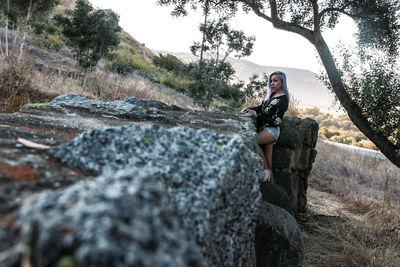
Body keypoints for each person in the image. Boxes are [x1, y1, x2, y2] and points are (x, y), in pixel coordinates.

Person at [242, 71, 289, 183]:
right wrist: (250, 108)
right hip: (264, 129)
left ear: (282, 83)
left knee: (252, 141)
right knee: (269, 164)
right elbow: (261, 107)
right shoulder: (272, 95)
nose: (272, 83)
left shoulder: (283, 99)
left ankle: (265, 171)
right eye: (271, 81)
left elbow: (277, 120)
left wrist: (258, 116)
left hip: (271, 131)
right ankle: (272, 188)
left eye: (275, 81)